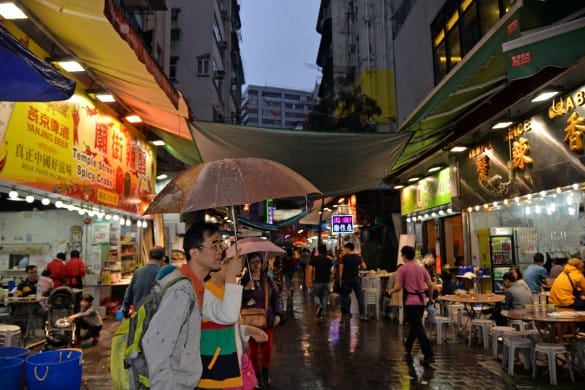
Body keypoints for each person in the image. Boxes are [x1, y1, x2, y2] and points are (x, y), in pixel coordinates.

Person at [142, 223, 224, 390]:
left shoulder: (194, 287)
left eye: (220, 244)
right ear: (194, 252)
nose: (220, 250)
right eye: (214, 245)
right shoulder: (181, 291)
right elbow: (154, 345)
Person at [199, 256, 267, 389]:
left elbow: (225, 325)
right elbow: (228, 316)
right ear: (211, 271)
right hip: (217, 365)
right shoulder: (205, 293)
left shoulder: (224, 290)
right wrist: (231, 277)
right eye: (225, 263)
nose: (230, 266)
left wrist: (245, 330)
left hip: (229, 359)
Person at [240, 252, 284, 388]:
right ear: (247, 264)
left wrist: (278, 314)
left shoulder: (268, 280)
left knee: (267, 349)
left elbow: (276, 296)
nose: (256, 264)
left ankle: (265, 370)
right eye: (252, 262)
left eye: (258, 261)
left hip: (266, 320)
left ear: (262, 263)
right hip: (250, 321)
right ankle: (255, 374)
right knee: (252, 351)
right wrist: (245, 289)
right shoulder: (243, 281)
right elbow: (237, 300)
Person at [388, 245, 434, 367]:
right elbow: (430, 285)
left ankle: (428, 354)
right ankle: (408, 347)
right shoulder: (421, 268)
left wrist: (391, 291)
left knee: (418, 328)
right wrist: (430, 299)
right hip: (421, 301)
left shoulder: (402, 269)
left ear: (404, 256)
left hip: (410, 301)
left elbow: (398, 287)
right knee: (415, 325)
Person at [121, 246, 166, 318]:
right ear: (163, 258)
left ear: (149, 257)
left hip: (138, 316)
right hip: (155, 317)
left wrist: (125, 312)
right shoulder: (163, 273)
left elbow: (128, 295)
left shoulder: (138, 272)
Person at [339, 242, 367, 320]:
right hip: (355, 279)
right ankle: (362, 314)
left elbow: (341, 270)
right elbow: (364, 267)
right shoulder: (358, 257)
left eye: (345, 248)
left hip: (346, 279)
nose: (344, 250)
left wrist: (340, 279)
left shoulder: (343, 258)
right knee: (360, 296)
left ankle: (347, 313)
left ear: (348, 248)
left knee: (346, 296)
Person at [310, 244, 333, 318]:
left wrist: (310, 279)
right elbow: (331, 270)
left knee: (315, 295)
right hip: (327, 281)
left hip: (318, 280)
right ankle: (323, 313)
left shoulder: (315, 259)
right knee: (325, 297)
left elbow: (311, 270)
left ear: (318, 250)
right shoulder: (328, 259)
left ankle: (319, 305)